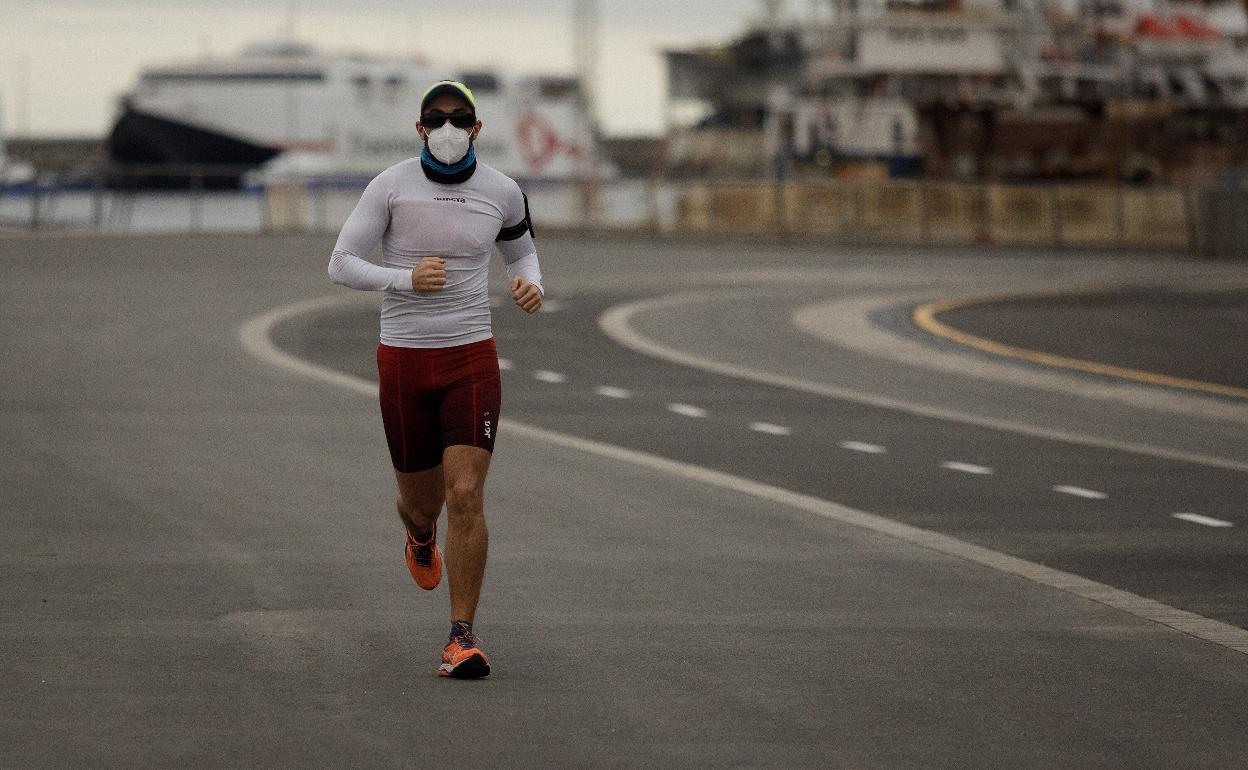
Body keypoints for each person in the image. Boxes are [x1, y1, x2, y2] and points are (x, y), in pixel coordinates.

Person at [327, 80, 543, 679]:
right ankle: (421, 535)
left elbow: (522, 254)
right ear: (420, 128)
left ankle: (461, 637)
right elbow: (340, 263)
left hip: (470, 357)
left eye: (460, 118)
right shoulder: (390, 186)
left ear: (477, 128)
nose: (449, 128)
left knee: (466, 493)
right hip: (403, 358)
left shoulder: (502, 191)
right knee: (421, 503)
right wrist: (404, 279)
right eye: (437, 118)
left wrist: (532, 285)